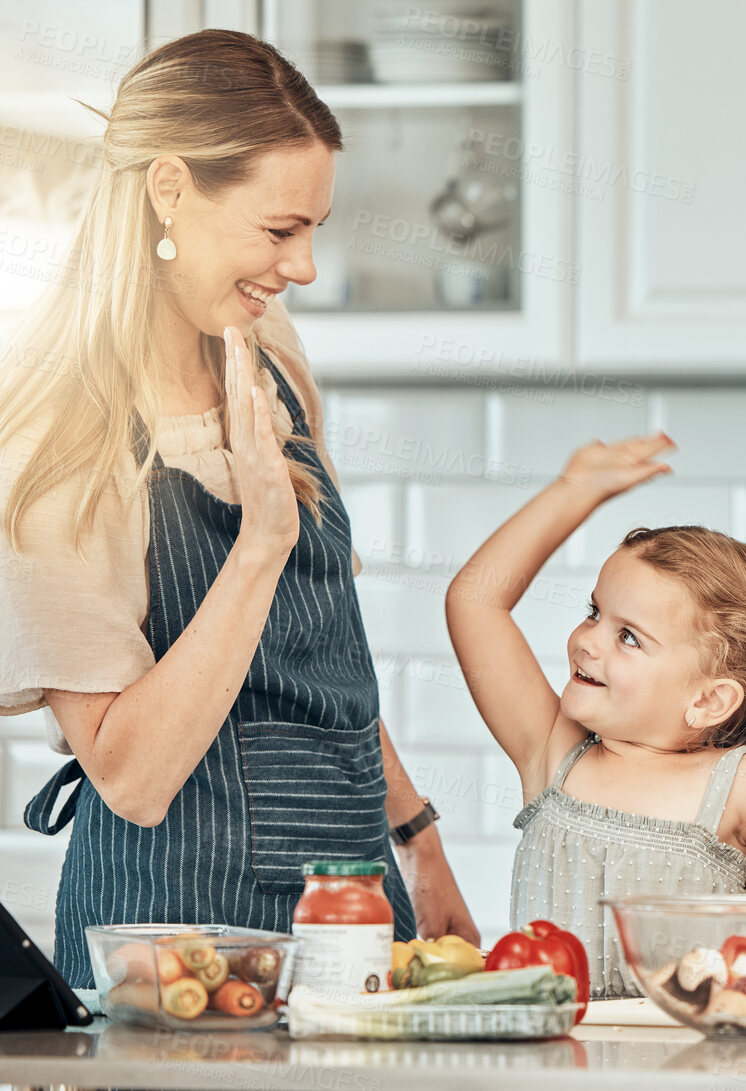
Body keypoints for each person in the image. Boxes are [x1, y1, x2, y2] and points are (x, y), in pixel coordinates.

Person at [0, 30, 475, 986]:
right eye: (277, 229)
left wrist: (416, 838)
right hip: (176, 941)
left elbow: (320, 651)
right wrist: (259, 542)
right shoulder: (58, 446)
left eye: (314, 231)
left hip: (350, 899)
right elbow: (129, 775)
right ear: (169, 189)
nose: (299, 266)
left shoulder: (266, 353)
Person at [445, 431, 746, 997]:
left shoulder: (743, 787)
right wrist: (575, 490)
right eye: (594, 612)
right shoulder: (553, 750)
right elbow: (475, 600)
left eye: (628, 637)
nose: (588, 642)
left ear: (707, 701)